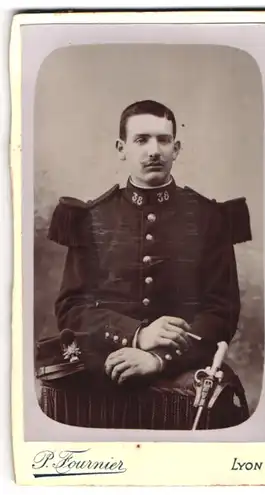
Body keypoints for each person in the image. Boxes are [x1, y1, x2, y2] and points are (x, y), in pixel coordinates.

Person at [36, 99, 252, 429]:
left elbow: (221, 312)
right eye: (141, 140)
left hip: (183, 367)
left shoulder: (210, 218)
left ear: (176, 148)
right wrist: (136, 335)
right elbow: (72, 308)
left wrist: (158, 358)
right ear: (121, 148)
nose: (154, 150)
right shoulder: (91, 219)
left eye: (163, 140)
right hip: (107, 363)